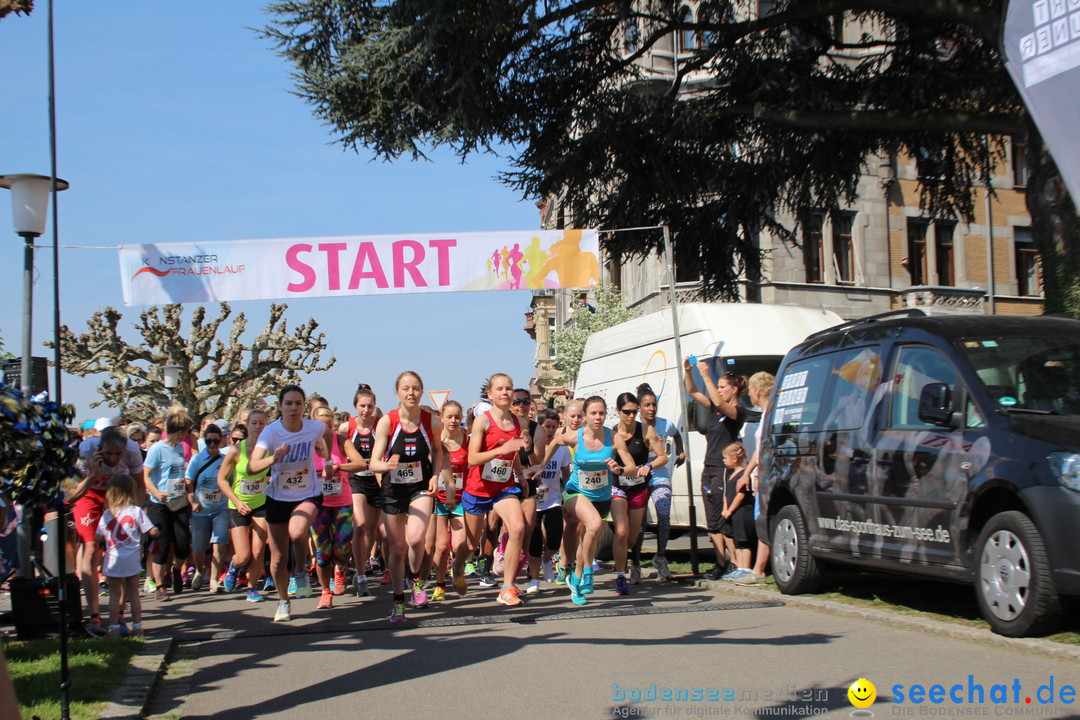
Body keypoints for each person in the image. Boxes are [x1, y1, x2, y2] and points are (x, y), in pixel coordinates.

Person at [530, 396, 636, 606]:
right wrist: (542, 465)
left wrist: (620, 469)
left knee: (590, 535)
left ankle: (576, 578)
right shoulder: (575, 437)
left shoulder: (613, 438)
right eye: (593, 413)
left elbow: (632, 467)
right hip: (575, 492)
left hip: (602, 497)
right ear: (586, 416)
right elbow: (556, 442)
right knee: (594, 525)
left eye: (601, 413)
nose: (597, 418)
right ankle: (587, 571)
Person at [369, 371, 446, 622]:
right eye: (405, 388)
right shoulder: (387, 422)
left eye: (415, 388)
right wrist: (386, 467)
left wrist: (435, 476)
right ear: (397, 393)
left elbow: (437, 450)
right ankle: (398, 601)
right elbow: (373, 462)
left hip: (420, 486)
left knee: (415, 539)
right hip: (392, 489)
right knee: (398, 548)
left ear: (422, 391)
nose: (411, 393)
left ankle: (416, 581)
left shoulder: (432, 421)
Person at [248, 385, 329, 622]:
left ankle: (301, 572)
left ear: (304, 406)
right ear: (281, 406)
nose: (293, 408)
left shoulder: (315, 427)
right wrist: (275, 457)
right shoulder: (271, 433)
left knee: (298, 530)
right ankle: (284, 600)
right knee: (278, 559)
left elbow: (327, 434)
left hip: (308, 493)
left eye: (298, 403)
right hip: (277, 497)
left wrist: (326, 456)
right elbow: (252, 466)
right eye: (289, 403)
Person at [463, 373, 531, 607]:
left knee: (518, 527)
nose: (505, 392)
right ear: (489, 394)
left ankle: (506, 587)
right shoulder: (483, 421)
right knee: (471, 544)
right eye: (500, 389)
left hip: (503, 487)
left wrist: (520, 475)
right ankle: (456, 569)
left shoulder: (518, 422)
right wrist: (501, 450)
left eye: (509, 389)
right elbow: (472, 458)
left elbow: (513, 455)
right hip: (478, 488)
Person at [684, 358, 747, 579]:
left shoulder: (736, 411)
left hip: (723, 469)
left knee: (722, 517)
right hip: (709, 466)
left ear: (734, 389)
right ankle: (721, 563)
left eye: (722, 387)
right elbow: (693, 392)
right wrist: (689, 373)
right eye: (717, 387)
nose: (718, 391)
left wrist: (706, 375)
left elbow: (721, 404)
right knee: (711, 520)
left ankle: (736, 563)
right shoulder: (715, 409)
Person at [71, 427, 134, 635]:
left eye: (118, 454)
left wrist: (136, 513)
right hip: (89, 494)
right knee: (90, 549)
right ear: (100, 448)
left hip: (115, 494)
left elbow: (140, 485)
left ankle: (119, 613)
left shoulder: (132, 450)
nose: (113, 458)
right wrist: (93, 474)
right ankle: (95, 615)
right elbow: (71, 494)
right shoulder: (86, 450)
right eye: (108, 454)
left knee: (120, 549)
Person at [609, 392, 667, 594]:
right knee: (622, 532)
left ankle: (622, 557)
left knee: (632, 538)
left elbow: (663, 457)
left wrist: (649, 466)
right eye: (627, 412)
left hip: (639, 487)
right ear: (618, 411)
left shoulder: (646, 431)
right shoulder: (612, 434)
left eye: (634, 412)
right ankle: (621, 575)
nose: (631, 416)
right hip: (618, 487)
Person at [310, 405, 361, 609]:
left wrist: (338, 467)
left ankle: (340, 569)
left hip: (341, 502)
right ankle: (325, 591)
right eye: (320, 426)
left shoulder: (341, 441)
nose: (324, 430)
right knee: (322, 552)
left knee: (341, 549)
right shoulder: (308, 444)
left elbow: (359, 464)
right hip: (317, 503)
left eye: (328, 426)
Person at [96, 473, 158, 637]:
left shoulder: (108, 514)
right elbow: (150, 530)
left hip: (113, 559)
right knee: (134, 593)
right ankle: (137, 626)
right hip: (132, 559)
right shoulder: (136, 511)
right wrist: (157, 531)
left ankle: (114, 627)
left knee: (114, 595)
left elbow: (97, 536)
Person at [217, 412, 271, 602]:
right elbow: (222, 480)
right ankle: (234, 566)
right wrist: (237, 502)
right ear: (246, 426)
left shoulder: (269, 449)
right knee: (244, 555)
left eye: (262, 423)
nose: (258, 427)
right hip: (238, 505)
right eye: (254, 423)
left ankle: (252, 588)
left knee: (258, 551)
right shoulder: (236, 450)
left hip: (261, 504)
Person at [143, 408, 195, 602]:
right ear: (180, 430)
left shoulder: (180, 448)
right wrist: (156, 492)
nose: (188, 435)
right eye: (187, 431)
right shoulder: (157, 449)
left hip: (179, 500)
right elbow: (145, 475)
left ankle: (175, 570)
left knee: (182, 544)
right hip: (160, 503)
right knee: (162, 546)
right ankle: (160, 586)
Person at [635, 383, 684, 581]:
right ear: (639, 408)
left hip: (659, 473)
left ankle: (661, 557)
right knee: (639, 523)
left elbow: (677, 434)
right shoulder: (635, 427)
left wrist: (681, 452)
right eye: (647, 405)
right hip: (638, 476)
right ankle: (636, 563)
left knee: (664, 514)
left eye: (654, 404)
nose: (652, 409)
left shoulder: (665, 424)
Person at [735, 371, 775, 585]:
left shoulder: (771, 413)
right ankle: (759, 569)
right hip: (763, 473)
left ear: (758, 391)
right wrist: (748, 473)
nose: (749, 395)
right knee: (761, 521)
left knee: (764, 521)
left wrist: (757, 473)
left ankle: (759, 570)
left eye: (750, 390)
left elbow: (766, 450)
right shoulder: (765, 414)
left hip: (770, 475)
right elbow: (759, 451)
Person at [526, 409, 571, 592]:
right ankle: (534, 580)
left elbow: (566, 475)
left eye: (554, 426)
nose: (550, 431)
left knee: (554, 538)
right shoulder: (534, 447)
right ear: (539, 427)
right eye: (546, 427)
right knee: (534, 541)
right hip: (533, 500)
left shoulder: (562, 449)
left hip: (552, 499)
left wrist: (568, 497)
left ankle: (547, 560)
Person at [186, 422, 230, 592]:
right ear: (205, 441)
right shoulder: (197, 460)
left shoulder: (225, 460)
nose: (212, 445)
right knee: (198, 547)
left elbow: (231, 480)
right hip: (201, 510)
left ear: (221, 441)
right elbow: (188, 483)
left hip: (221, 508)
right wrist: (193, 502)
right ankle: (199, 570)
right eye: (209, 441)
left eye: (216, 441)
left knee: (219, 542)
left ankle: (213, 579)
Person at [346, 385, 380, 597]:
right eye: (362, 406)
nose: (366, 410)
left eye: (370, 406)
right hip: (356, 480)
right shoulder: (347, 427)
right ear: (356, 407)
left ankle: (362, 563)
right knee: (359, 525)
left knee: (371, 530)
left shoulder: (381, 426)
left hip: (376, 482)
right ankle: (360, 574)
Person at [433, 400, 470, 600]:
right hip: (438, 499)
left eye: (457, 417)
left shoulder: (467, 440)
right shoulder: (435, 440)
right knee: (440, 547)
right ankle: (440, 585)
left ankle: (458, 567)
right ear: (442, 418)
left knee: (459, 545)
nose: (454, 420)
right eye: (449, 417)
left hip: (460, 499)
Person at [717, 442, 754, 578]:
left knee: (744, 542)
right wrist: (725, 509)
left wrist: (730, 510)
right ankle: (739, 567)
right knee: (737, 541)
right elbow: (727, 495)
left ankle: (746, 568)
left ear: (734, 459)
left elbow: (740, 495)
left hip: (742, 513)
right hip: (732, 514)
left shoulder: (743, 475)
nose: (723, 461)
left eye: (725, 458)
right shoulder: (731, 475)